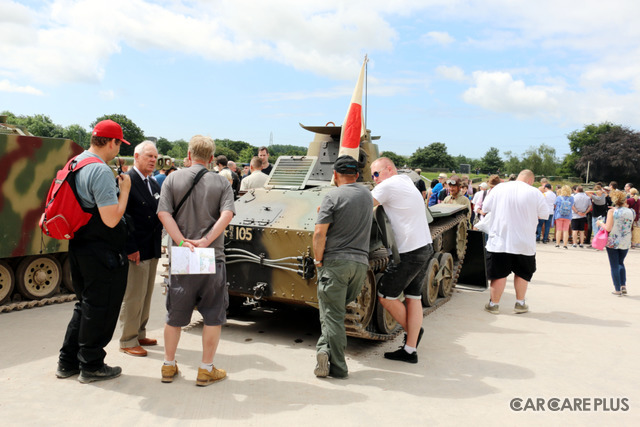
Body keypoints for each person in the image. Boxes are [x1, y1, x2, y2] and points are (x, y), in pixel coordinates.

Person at [56, 119, 131, 383]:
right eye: (119, 144)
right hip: (101, 251)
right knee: (102, 307)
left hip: (78, 243)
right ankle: (91, 365)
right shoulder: (99, 170)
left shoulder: (75, 163)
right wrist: (125, 191)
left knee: (85, 304)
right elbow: (111, 219)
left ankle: (67, 362)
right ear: (112, 142)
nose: (119, 150)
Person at [157, 135, 235, 386]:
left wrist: (181, 241)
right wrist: (206, 240)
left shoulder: (172, 178)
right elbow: (228, 214)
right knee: (213, 314)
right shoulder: (221, 183)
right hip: (211, 255)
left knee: (175, 314)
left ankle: (168, 365)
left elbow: (163, 213)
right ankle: (205, 368)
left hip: (182, 256)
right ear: (212, 158)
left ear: (189, 155)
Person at [312, 155, 372, 379]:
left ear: (334, 175)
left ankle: (337, 366)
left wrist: (318, 261)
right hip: (359, 265)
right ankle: (324, 351)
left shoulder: (332, 196)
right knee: (333, 313)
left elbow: (319, 233)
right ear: (357, 175)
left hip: (335, 264)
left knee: (332, 315)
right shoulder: (367, 194)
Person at [370, 157, 433, 363]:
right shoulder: (405, 181)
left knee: (386, 296)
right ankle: (410, 350)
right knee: (413, 297)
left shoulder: (388, 185)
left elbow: (363, 205)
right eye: (371, 176)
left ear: (389, 169)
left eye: (376, 174)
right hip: (424, 246)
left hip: (409, 252)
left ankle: (413, 333)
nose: (374, 179)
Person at [482, 170, 547, 315]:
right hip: (524, 242)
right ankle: (520, 303)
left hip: (499, 240)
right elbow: (544, 214)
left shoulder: (499, 188)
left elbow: (485, 208)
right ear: (530, 180)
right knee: (522, 273)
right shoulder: (535, 192)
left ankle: (494, 304)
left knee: (499, 274)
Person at [119, 141, 162, 357]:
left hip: (151, 249)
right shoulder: (128, 181)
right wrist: (130, 248)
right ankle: (128, 340)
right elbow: (123, 218)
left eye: (155, 156)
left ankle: (140, 332)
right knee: (134, 295)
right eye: (149, 156)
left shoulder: (153, 184)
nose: (153, 160)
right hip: (136, 250)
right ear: (136, 156)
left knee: (146, 294)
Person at [596, 190, 635, 295]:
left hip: (613, 241)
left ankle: (617, 289)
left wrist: (600, 223)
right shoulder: (631, 211)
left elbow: (608, 228)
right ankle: (623, 285)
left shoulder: (612, 212)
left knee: (614, 265)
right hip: (626, 240)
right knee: (621, 262)